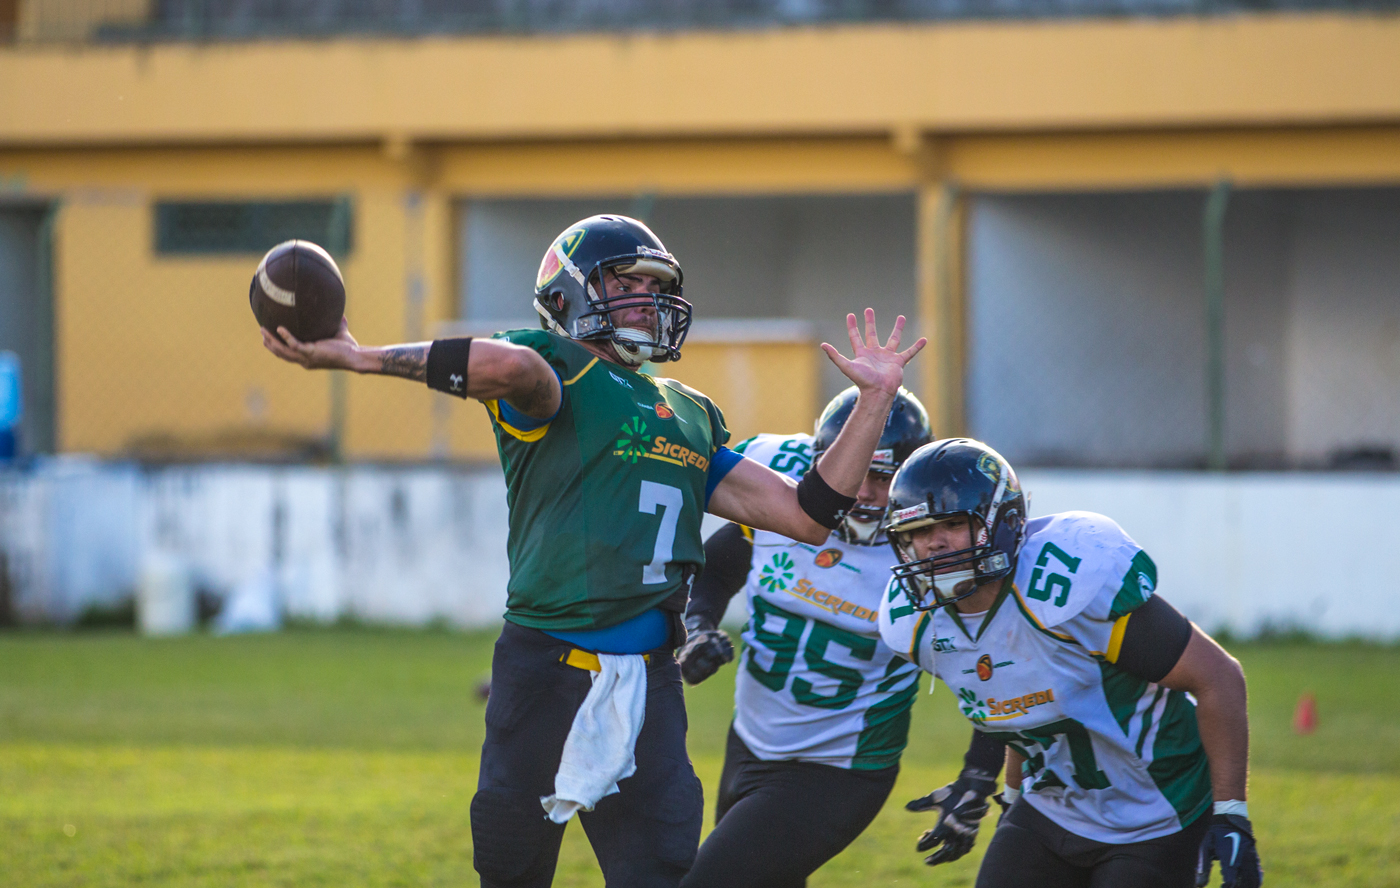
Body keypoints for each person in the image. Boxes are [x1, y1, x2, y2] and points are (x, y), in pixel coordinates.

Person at [261, 213, 925, 888]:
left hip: (650, 678)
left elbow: (806, 516)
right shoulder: (558, 373)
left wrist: (874, 402)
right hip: (545, 670)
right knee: (512, 869)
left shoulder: (688, 411)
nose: (645, 296)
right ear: (568, 295)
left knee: (660, 869)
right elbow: (511, 365)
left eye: (652, 284)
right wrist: (360, 356)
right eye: (625, 281)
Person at [877, 438, 1263, 888]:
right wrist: (1005, 793)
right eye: (917, 532)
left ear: (1002, 522)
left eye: (950, 524)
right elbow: (1016, 703)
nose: (932, 545)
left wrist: (1231, 815)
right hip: (1053, 808)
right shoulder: (919, 625)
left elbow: (1218, 678)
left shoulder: (1063, 584)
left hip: (1158, 812)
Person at [674, 386, 934, 888]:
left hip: (839, 767)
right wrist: (697, 627)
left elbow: (993, 660)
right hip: (750, 741)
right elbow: (718, 567)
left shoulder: (928, 549)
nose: (861, 492)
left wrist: (979, 772)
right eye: (852, 471)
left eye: (882, 477)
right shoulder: (784, 483)